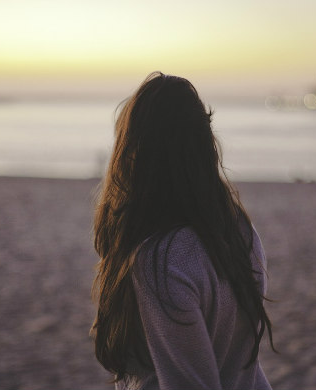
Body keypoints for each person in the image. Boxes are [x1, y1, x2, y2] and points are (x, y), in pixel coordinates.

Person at [90, 72, 275, 390]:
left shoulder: (160, 262)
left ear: (135, 153)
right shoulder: (239, 230)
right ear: (204, 145)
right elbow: (244, 364)